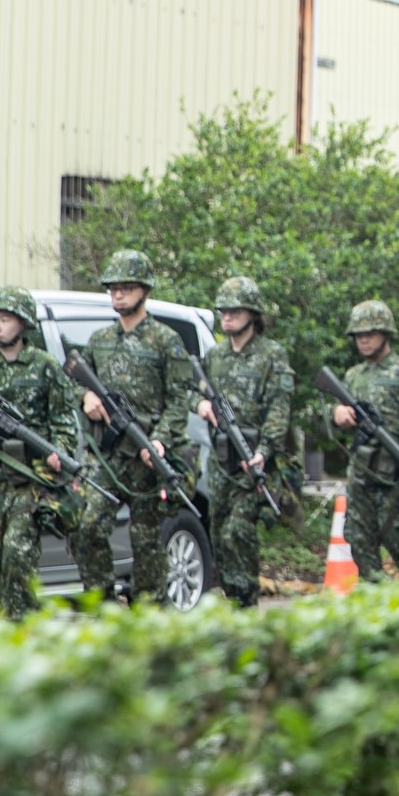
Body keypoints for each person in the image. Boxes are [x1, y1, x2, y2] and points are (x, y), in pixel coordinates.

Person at [72, 250, 193, 604]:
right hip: (107, 454)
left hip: (146, 453)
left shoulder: (165, 340)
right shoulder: (99, 340)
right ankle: (103, 601)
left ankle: (148, 609)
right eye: (113, 289)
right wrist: (85, 398)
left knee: (146, 539)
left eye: (126, 288)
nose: (118, 295)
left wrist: (160, 441)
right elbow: (73, 381)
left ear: (144, 290)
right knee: (87, 524)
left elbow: (178, 400)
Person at [0, 286, 82, 618]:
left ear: (23, 323)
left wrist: (61, 451)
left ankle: (23, 623)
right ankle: (7, 618)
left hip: (31, 479)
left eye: (5, 319)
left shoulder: (43, 365)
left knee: (19, 552)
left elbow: (63, 419)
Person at [196, 276, 293, 607]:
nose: (227, 317)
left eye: (235, 311)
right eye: (223, 311)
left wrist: (264, 452)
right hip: (220, 462)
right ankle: (232, 599)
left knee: (237, 533)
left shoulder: (271, 355)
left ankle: (247, 601)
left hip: (250, 460)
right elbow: (191, 391)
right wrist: (201, 404)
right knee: (218, 536)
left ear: (253, 314)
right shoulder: (215, 356)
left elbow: (279, 409)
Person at [326, 300, 399, 582]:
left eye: (370, 333)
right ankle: (376, 605)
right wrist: (337, 414)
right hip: (361, 474)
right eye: (358, 335)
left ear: (385, 333)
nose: (363, 339)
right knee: (359, 542)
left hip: (395, 476)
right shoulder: (353, 376)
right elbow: (334, 419)